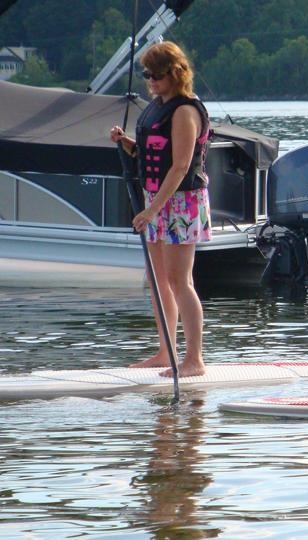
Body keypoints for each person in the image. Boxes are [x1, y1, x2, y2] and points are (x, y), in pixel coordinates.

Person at [110, 41, 211, 378]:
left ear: (175, 73)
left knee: (179, 280)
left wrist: (151, 210)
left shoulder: (184, 110)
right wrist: (128, 144)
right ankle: (166, 352)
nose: (150, 80)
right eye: (146, 74)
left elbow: (180, 166)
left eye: (156, 74)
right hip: (156, 199)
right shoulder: (158, 106)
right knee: (157, 280)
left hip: (180, 202)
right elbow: (156, 154)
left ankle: (194, 359)